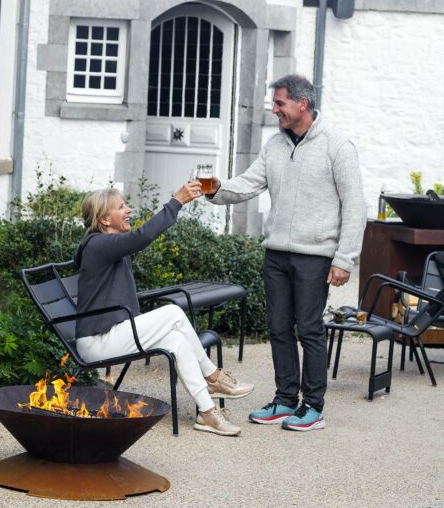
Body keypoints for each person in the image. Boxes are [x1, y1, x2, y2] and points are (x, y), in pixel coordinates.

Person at [206, 74, 366, 431]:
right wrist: (214, 189)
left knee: (309, 329)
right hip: (276, 254)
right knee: (279, 329)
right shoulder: (275, 145)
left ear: (302, 104)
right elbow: (248, 183)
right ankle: (284, 399)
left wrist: (344, 259)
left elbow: (355, 205)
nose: (274, 109)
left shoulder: (337, 146)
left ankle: (313, 406)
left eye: (279, 103)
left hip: (315, 255)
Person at [74, 183, 254, 437]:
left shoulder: (110, 244)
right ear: (104, 219)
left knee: (176, 340)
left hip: (112, 333)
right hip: (98, 342)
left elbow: (135, 239)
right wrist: (176, 201)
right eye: (121, 207)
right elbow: (142, 237)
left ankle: (207, 412)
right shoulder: (98, 245)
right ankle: (213, 377)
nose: (129, 210)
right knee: (172, 313)